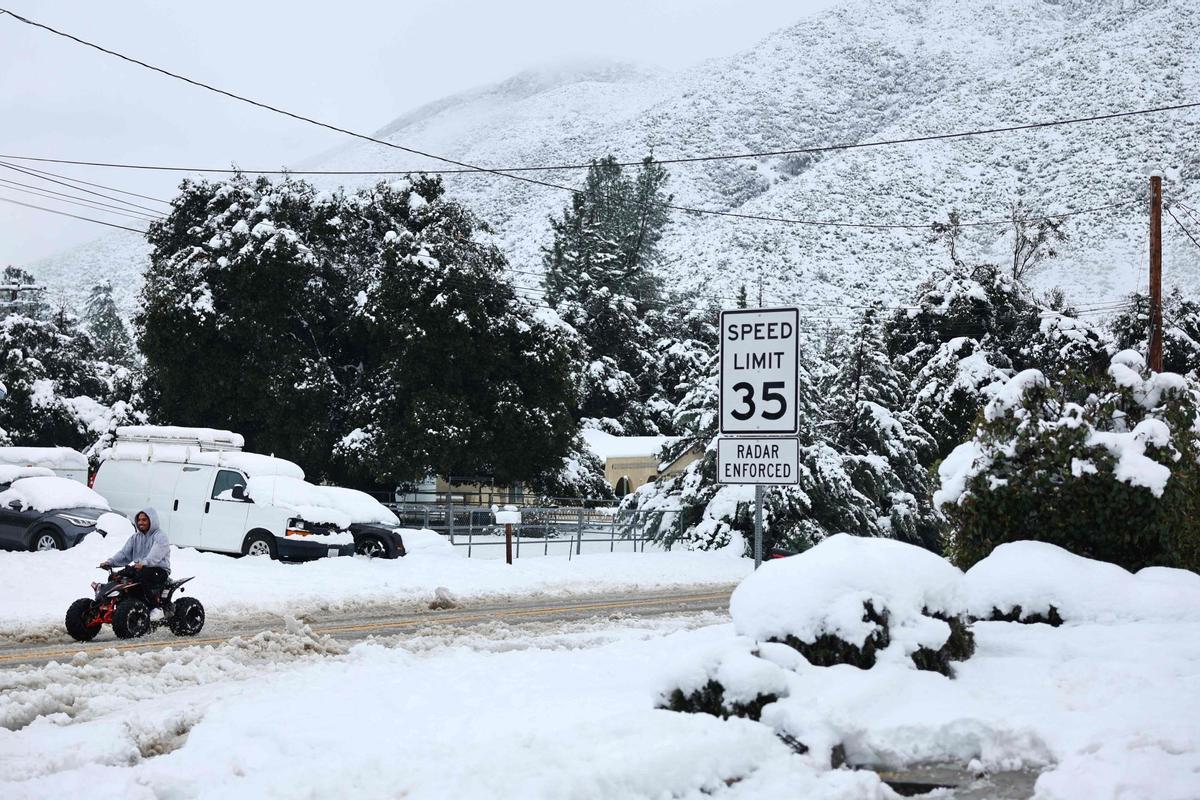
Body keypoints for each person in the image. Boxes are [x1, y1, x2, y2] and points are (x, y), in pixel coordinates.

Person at [100, 507, 172, 618]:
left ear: (151, 521)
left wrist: (145, 563)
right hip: (140, 568)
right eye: (139, 520)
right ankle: (122, 606)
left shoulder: (160, 536)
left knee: (143, 575)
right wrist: (110, 562)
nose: (141, 522)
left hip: (159, 570)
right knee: (115, 577)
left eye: (144, 520)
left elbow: (156, 554)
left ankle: (156, 607)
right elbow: (124, 554)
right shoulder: (135, 537)